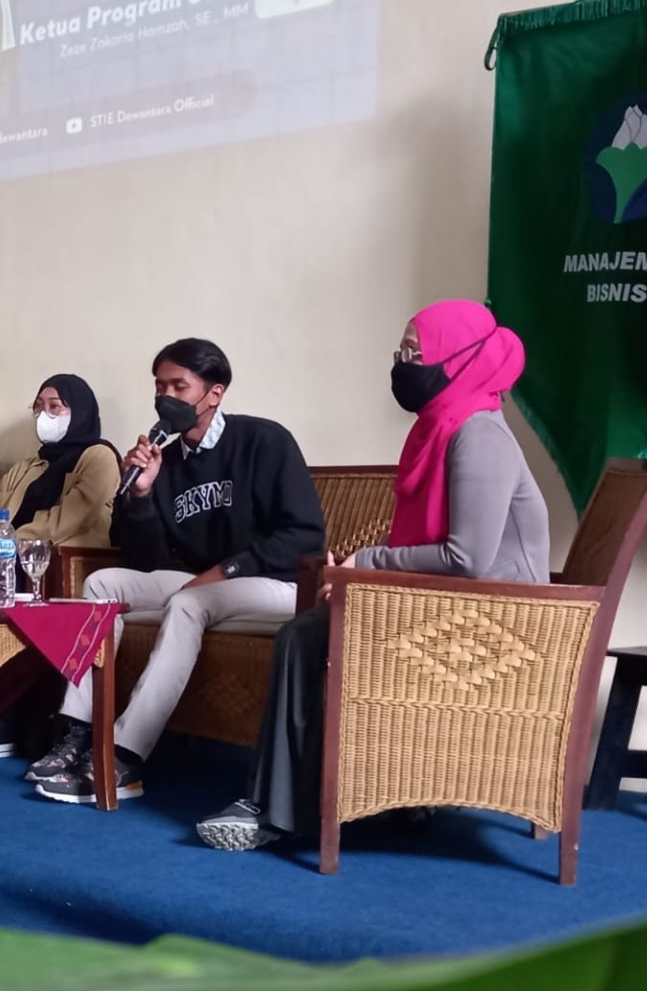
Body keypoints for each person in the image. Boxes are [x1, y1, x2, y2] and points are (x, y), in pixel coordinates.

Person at [196, 300, 551, 851]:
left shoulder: (479, 434)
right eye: (401, 352)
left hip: (500, 626)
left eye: (415, 353)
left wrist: (364, 566)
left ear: (457, 359)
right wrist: (358, 572)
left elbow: (468, 559)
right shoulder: (444, 427)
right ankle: (300, 798)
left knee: (307, 635)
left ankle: (277, 810)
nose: (402, 364)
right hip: (459, 606)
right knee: (313, 627)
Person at [32, 339, 326, 804]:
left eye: (179, 386)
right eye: (159, 386)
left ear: (214, 393)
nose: (165, 396)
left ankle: (123, 756)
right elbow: (146, 559)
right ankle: (77, 729)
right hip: (205, 585)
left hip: (279, 585)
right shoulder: (165, 461)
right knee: (102, 582)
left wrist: (226, 570)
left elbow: (305, 537)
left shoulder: (264, 441)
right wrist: (142, 496)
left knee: (190, 602)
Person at [0, 374, 121, 592]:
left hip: (55, 558)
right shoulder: (27, 466)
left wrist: (3, 546)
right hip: (3, 553)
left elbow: (67, 521)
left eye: (55, 407)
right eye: (38, 407)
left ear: (80, 412)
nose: (44, 415)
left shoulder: (99, 457)